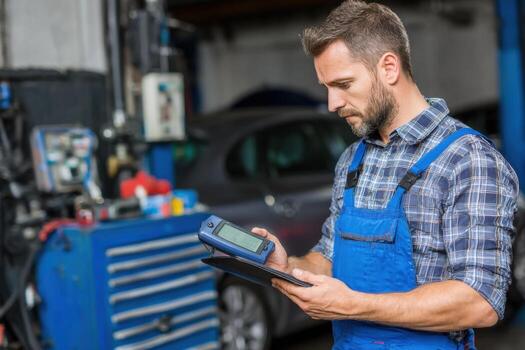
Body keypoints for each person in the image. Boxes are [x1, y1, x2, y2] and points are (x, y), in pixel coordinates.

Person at [251, 1, 519, 349]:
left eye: (343, 83)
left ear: (389, 67)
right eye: (326, 87)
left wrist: (353, 306)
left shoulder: (466, 159)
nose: (332, 103)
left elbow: (480, 301)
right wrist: (288, 267)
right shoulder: (352, 159)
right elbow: (328, 258)